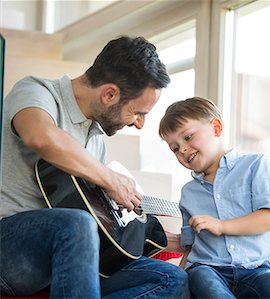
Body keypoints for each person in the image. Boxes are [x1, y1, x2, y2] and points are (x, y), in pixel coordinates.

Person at [0, 36, 189, 298]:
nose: (139, 124)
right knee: (76, 223)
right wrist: (111, 180)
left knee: (171, 278)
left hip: (66, 263)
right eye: (138, 112)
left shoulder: (95, 141)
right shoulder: (36, 92)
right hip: (10, 249)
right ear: (109, 94)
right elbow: (41, 136)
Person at [158, 97, 270, 298]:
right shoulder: (188, 193)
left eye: (187, 137)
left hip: (256, 270)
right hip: (210, 269)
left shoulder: (256, 165)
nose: (183, 150)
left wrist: (221, 226)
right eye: (175, 148)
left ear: (216, 127)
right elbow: (189, 246)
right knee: (199, 276)